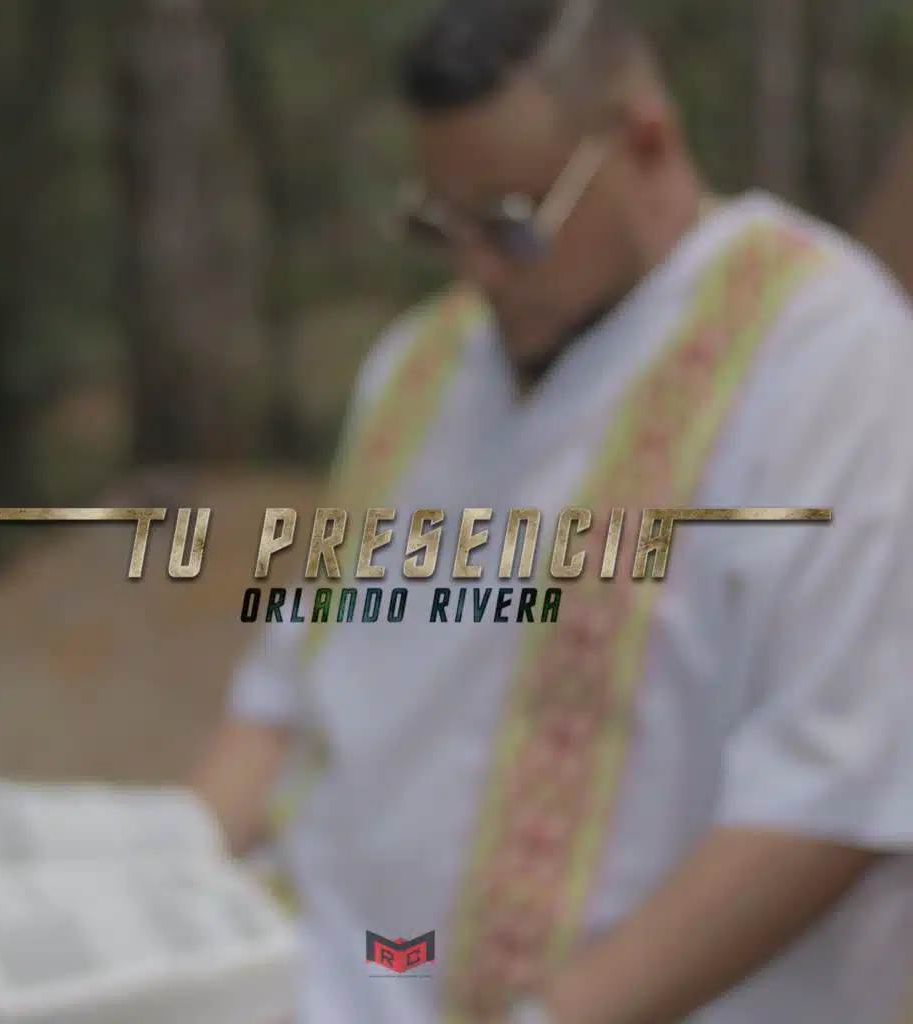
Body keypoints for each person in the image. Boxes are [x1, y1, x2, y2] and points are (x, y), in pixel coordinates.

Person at [193, 1, 913, 1021]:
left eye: (510, 223)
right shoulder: (418, 365)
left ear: (644, 140)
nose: (475, 267)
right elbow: (280, 705)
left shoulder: (830, 360)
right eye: (442, 223)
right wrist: (156, 896)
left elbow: (831, 791)